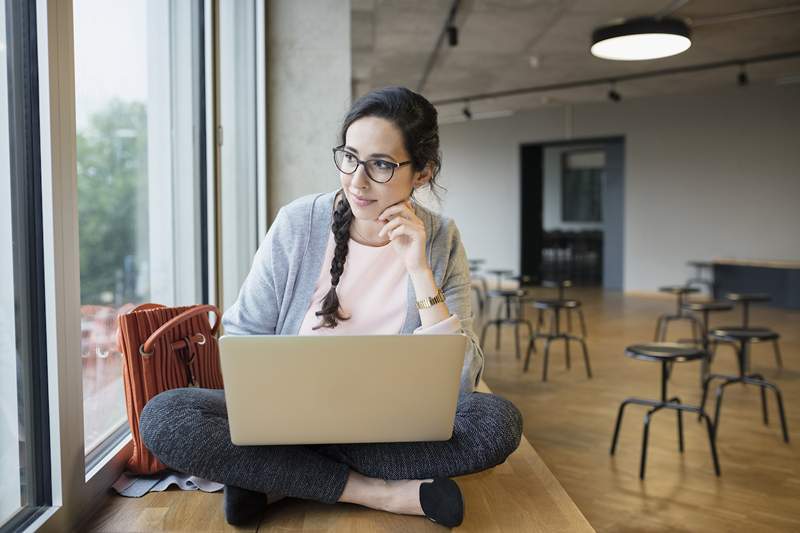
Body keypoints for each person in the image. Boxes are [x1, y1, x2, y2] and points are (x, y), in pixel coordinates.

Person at [139, 86, 523, 528]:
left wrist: (419, 270)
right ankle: (380, 492)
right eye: (350, 157)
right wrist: (281, 406)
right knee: (166, 416)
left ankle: (277, 477)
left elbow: (460, 383)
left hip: (391, 424)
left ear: (421, 173)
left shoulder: (440, 238)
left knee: (498, 422)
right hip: (286, 417)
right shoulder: (298, 223)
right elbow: (244, 334)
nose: (357, 181)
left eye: (381, 164)